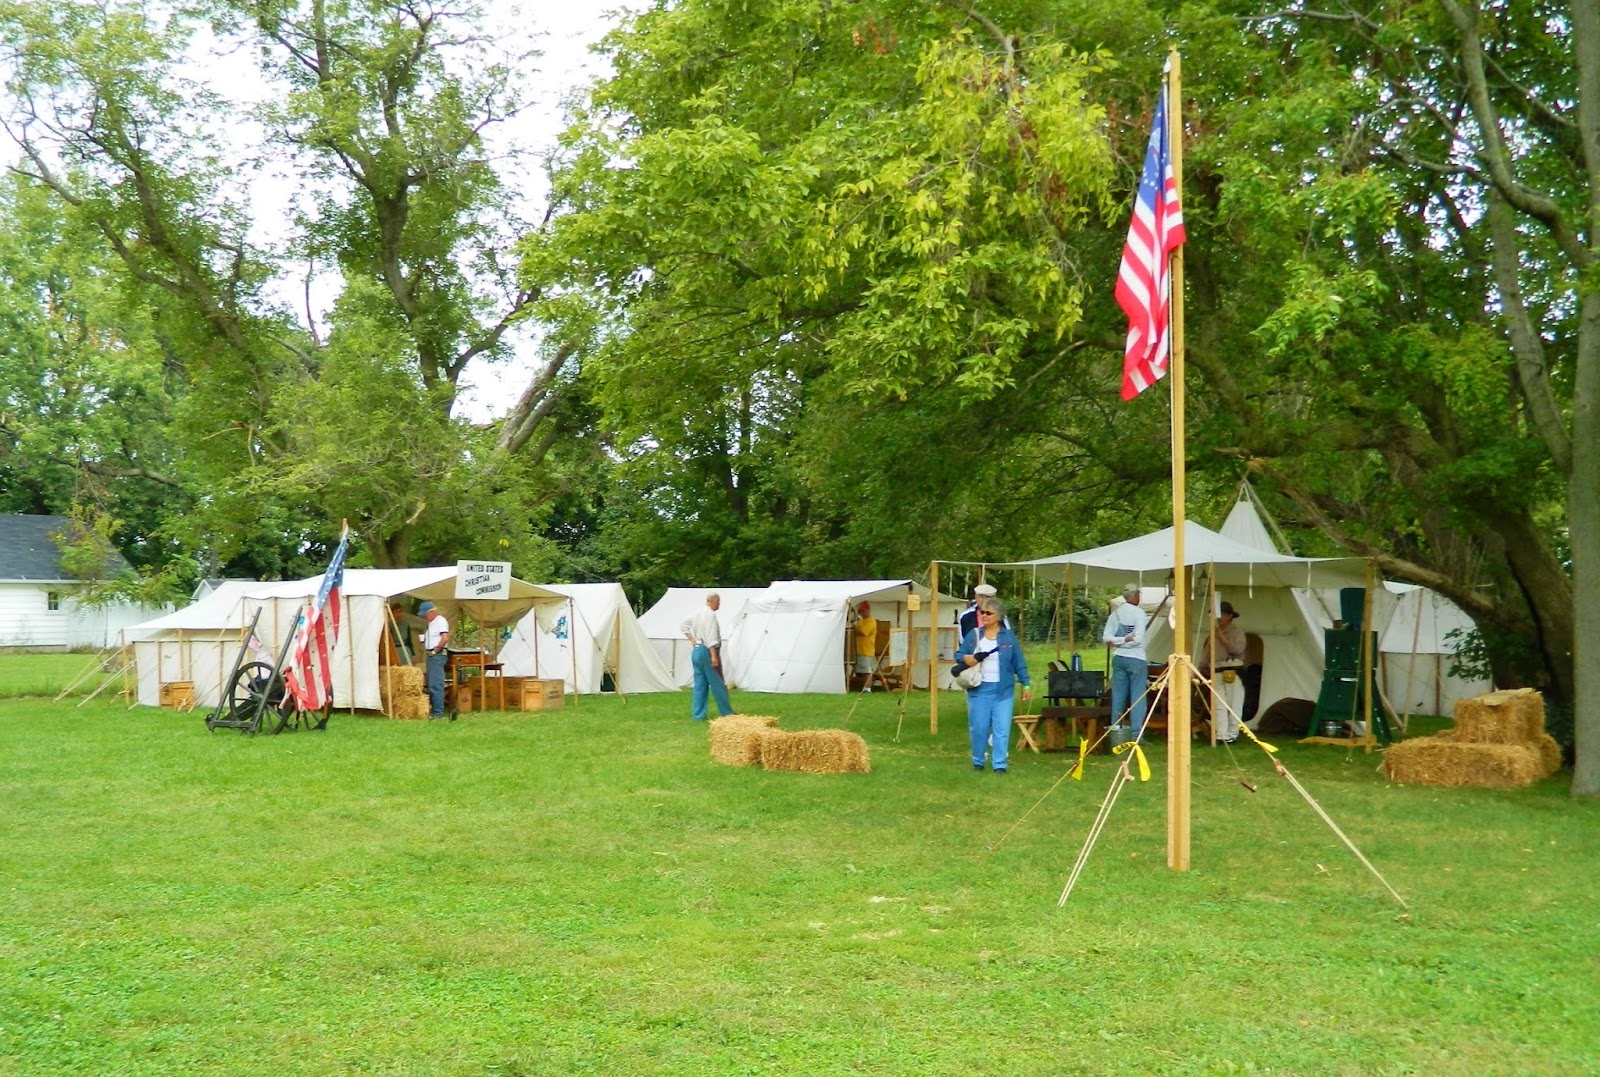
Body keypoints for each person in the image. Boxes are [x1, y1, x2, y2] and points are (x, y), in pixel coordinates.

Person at [954, 596, 1031, 774]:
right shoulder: (974, 635)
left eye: (989, 613)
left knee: (1001, 728)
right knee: (979, 728)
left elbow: (1019, 662)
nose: (984, 615)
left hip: (1003, 689)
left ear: (999, 616)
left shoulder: (1008, 637)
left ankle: (999, 764)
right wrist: (968, 658)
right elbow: (959, 655)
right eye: (982, 612)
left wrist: (1025, 684)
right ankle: (978, 760)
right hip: (979, 689)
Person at [1103, 584, 1149, 735]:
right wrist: (1127, 639)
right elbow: (1138, 638)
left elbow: (1107, 638)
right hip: (1136, 657)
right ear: (1135, 596)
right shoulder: (1139, 613)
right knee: (1138, 696)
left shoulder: (1115, 614)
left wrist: (1118, 641)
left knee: (1118, 694)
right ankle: (1136, 733)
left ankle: (1116, 729)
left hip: (1119, 656)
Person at [681, 592, 735, 721]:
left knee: (700, 684)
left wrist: (693, 640)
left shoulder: (696, 613)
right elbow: (710, 636)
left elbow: (683, 626)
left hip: (697, 650)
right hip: (707, 651)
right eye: (719, 602)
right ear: (714, 601)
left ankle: (698, 715)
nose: (719, 604)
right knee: (718, 683)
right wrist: (713, 656)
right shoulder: (710, 615)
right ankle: (727, 713)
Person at [1200, 601, 1248, 743]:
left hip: (1232, 671)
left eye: (1222, 615)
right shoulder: (1212, 633)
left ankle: (1232, 734)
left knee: (1234, 704)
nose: (1219, 618)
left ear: (1230, 616)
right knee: (1218, 705)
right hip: (1215, 670)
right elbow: (1207, 653)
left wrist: (1220, 635)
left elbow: (1237, 650)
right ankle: (1221, 734)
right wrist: (1201, 668)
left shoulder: (1237, 632)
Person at [420, 601, 451, 719]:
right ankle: (434, 710)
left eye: (425, 614)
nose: (424, 617)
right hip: (431, 654)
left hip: (436, 655)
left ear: (432, 612)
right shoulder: (431, 623)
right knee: (431, 683)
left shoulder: (440, 621)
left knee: (436, 684)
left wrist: (435, 651)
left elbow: (444, 638)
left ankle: (438, 712)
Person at [853, 601, 878, 689]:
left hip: (866, 650)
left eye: (863, 611)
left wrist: (858, 623)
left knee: (867, 671)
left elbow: (864, 632)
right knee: (862, 671)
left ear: (868, 610)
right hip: (859, 649)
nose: (862, 613)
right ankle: (864, 687)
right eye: (860, 611)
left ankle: (867, 689)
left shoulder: (871, 621)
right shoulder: (862, 621)